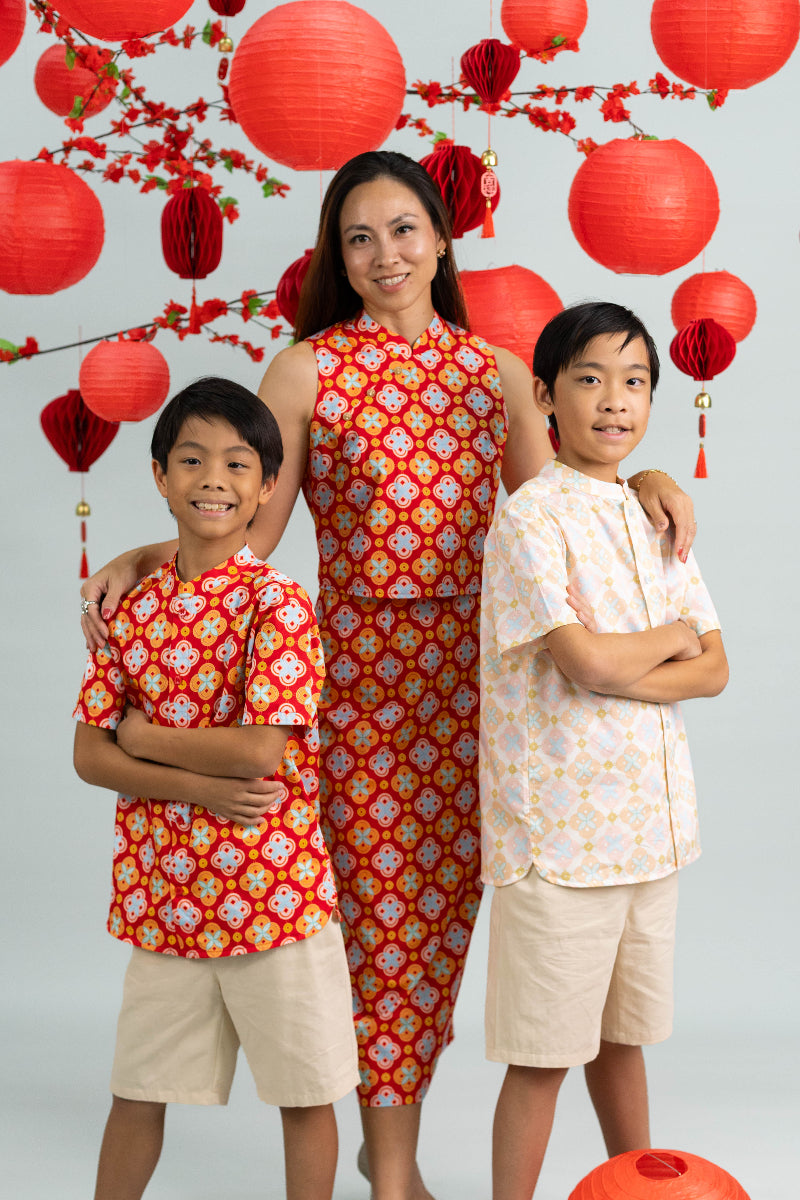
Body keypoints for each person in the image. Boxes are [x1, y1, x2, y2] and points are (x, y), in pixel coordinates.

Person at [80, 153, 697, 1200]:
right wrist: (148, 555)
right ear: (337, 254)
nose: (383, 255)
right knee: (378, 929)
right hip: (354, 692)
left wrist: (646, 471)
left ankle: (409, 1147)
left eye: (403, 230)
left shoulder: (496, 373)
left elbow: (564, 502)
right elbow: (245, 530)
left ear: (442, 239)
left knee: (446, 924)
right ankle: (395, 1171)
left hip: (485, 696)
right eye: (358, 237)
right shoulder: (304, 370)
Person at [73, 377, 358, 1200]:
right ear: (159, 475)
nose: (213, 480)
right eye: (192, 460)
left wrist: (143, 739)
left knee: (304, 1094)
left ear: (268, 487)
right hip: (166, 903)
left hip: (274, 900)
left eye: (238, 464)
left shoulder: (279, 605)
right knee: (137, 1091)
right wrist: (196, 789)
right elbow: (89, 756)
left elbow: (261, 751)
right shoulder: (130, 609)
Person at [479, 302, 728, 1200]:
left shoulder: (655, 515)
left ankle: (641, 1189)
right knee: (544, 1055)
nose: (614, 400)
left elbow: (715, 671)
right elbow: (582, 663)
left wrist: (632, 656)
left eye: (634, 382)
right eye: (590, 379)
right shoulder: (530, 519)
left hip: (650, 833)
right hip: (559, 841)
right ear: (546, 394)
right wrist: (669, 639)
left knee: (623, 1040)